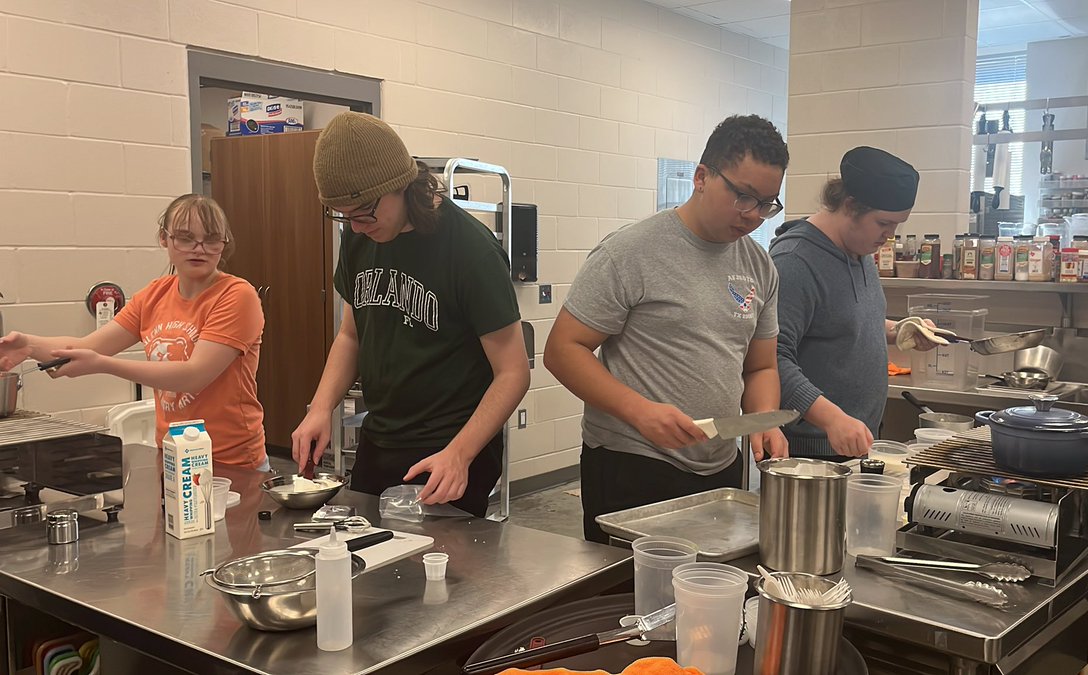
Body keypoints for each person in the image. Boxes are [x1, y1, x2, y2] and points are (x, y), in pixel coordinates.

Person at [544, 114, 791, 544]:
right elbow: (564, 350)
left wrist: (764, 419)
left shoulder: (758, 265)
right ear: (701, 177)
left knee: (708, 602)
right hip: (634, 463)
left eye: (768, 203)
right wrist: (641, 411)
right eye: (744, 197)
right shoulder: (630, 252)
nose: (754, 216)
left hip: (720, 465)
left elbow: (760, 367)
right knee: (627, 602)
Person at [290, 112, 529, 518]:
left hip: (451, 447)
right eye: (343, 215)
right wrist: (319, 408)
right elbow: (352, 335)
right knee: (362, 563)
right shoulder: (359, 235)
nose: (357, 227)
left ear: (401, 186)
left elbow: (513, 372)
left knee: (437, 576)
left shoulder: (470, 250)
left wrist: (459, 454)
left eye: (363, 213)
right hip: (381, 437)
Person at [0, 195, 268, 470]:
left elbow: (194, 376)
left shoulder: (236, 296)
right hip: (174, 456)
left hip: (232, 460)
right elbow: (88, 346)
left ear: (224, 244)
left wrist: (104, 366)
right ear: (165, 238)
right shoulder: (154, 295)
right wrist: (29, 345)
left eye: (211, 239)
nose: (199, 249)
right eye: (185, 238)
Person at [770, 146, 938, 460]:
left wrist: (900, 330)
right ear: (850, 206)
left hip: (856, 443)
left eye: (897, 226)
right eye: (884, 224)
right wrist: (831, 419)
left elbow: (843, 322)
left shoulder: (859, 251)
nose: (890, 236)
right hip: (810, 455)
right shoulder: (795, 262)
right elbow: (771, 360)